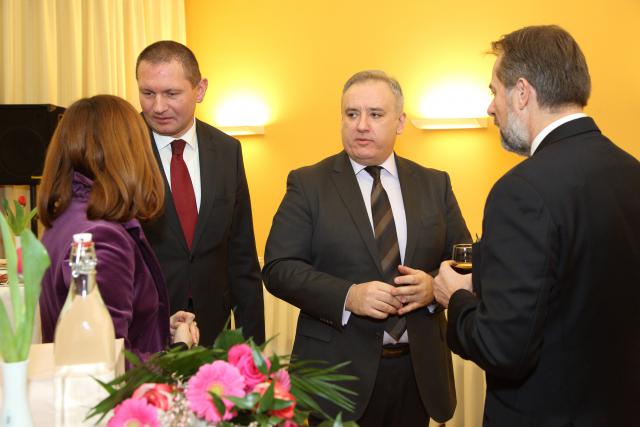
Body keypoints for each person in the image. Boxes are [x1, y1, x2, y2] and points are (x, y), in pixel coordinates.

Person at [433, 25, 640, 426]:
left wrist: (456, 299)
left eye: (494, 91)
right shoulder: (631, 172)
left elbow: (503, 349)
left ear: (522, 92)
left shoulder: (521, 191)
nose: (491, 107)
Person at [263, 70, 471, 426]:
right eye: (351, 114)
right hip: (335, 379)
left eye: (375, 114)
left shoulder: (435, 183)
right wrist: (349, 296)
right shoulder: (308, 184)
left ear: (400, 122)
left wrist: (433, 288)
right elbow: (279, 267)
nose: (361, 125)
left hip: (416, 374)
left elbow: (463, 258)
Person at [38, 95, 199, 361]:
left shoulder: (65, 218)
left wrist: (158, 327)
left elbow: (102, 330)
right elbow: (105, 362)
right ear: (128, 153)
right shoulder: (100, 237)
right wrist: (179, 350)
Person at [135, 41, 265, 346]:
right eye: (148, 93)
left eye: (171, 93)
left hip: (214, 329)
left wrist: (252, 351)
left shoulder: (227, 150)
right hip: (144, 329)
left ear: (200, 90)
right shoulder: (122, 149)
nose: (158, 106)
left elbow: (241, 254)